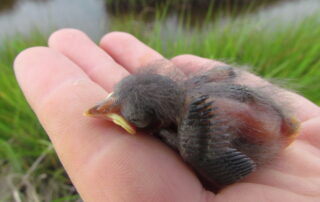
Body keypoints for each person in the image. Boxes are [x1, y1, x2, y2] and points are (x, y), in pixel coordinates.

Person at [14, 29, 320, 202]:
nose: (102, 109)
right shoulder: (194, 87)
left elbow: (241, 167)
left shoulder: (189, 137)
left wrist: (201, 152)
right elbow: (226, 75)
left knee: (199, 152)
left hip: (272, 134)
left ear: (155, 122)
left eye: (135, 117)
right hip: (279, 121)